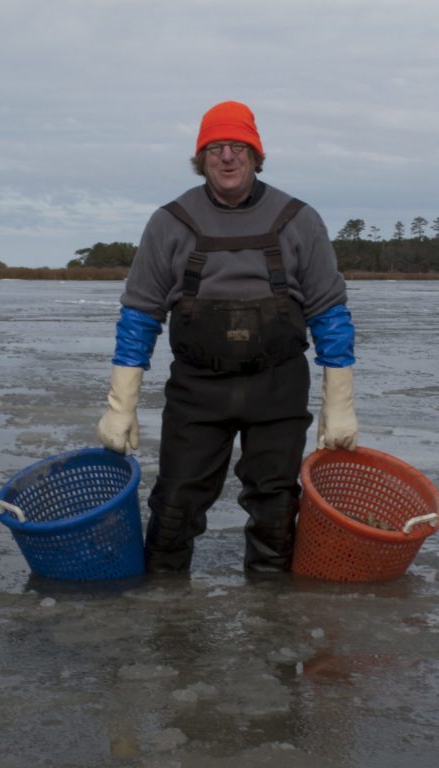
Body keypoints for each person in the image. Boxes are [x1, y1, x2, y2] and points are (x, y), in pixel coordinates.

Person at [97, 100, 358, 573]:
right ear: (202, 159)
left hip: (277, 387)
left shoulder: (298, 219)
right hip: (198, 390)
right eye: (215, 148)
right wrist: (121, 405)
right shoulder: (170, 222)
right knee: (174, 506)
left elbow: (329, 313)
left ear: (257, 155)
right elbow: (139, 315)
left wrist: (338, 401)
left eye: (239, 146)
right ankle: (165, 619)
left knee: (276, 510)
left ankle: (271, 623)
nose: (228, 157)